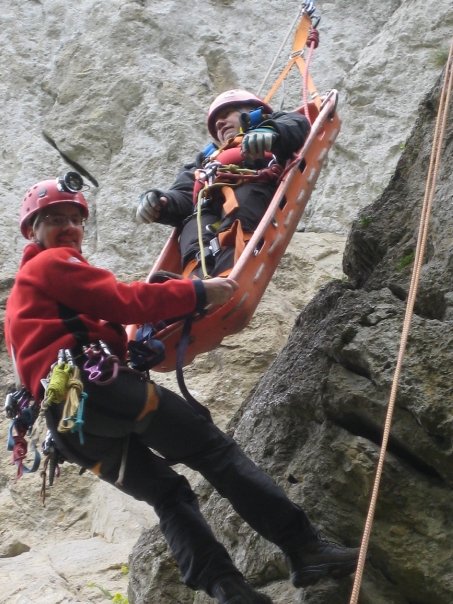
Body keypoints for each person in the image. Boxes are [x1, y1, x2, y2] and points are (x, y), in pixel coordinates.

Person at [5, 174, 358, 604]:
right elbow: (122, 300)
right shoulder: (50, 263)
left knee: (168, 496)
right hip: (100, 392)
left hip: (72, 428)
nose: (69, 227)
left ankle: (232, 594)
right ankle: (306, 549)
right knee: (215, 453)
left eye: (75, 218)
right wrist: (196, 292)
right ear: (32, 231)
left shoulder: (26, 297)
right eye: (54, 218)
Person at [136, 89, 311, 278]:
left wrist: (270, 131)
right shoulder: (205, 161)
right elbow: (185, 193)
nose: (220, 123)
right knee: (193, 226)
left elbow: (297, 123)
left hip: (255, 190)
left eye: (227, 114)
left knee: (241, 207)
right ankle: (194, 283)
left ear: (254, 113)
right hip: (210, 207)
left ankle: (228, 274)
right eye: (217, 123)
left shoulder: (275, 124)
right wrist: (161, 202)